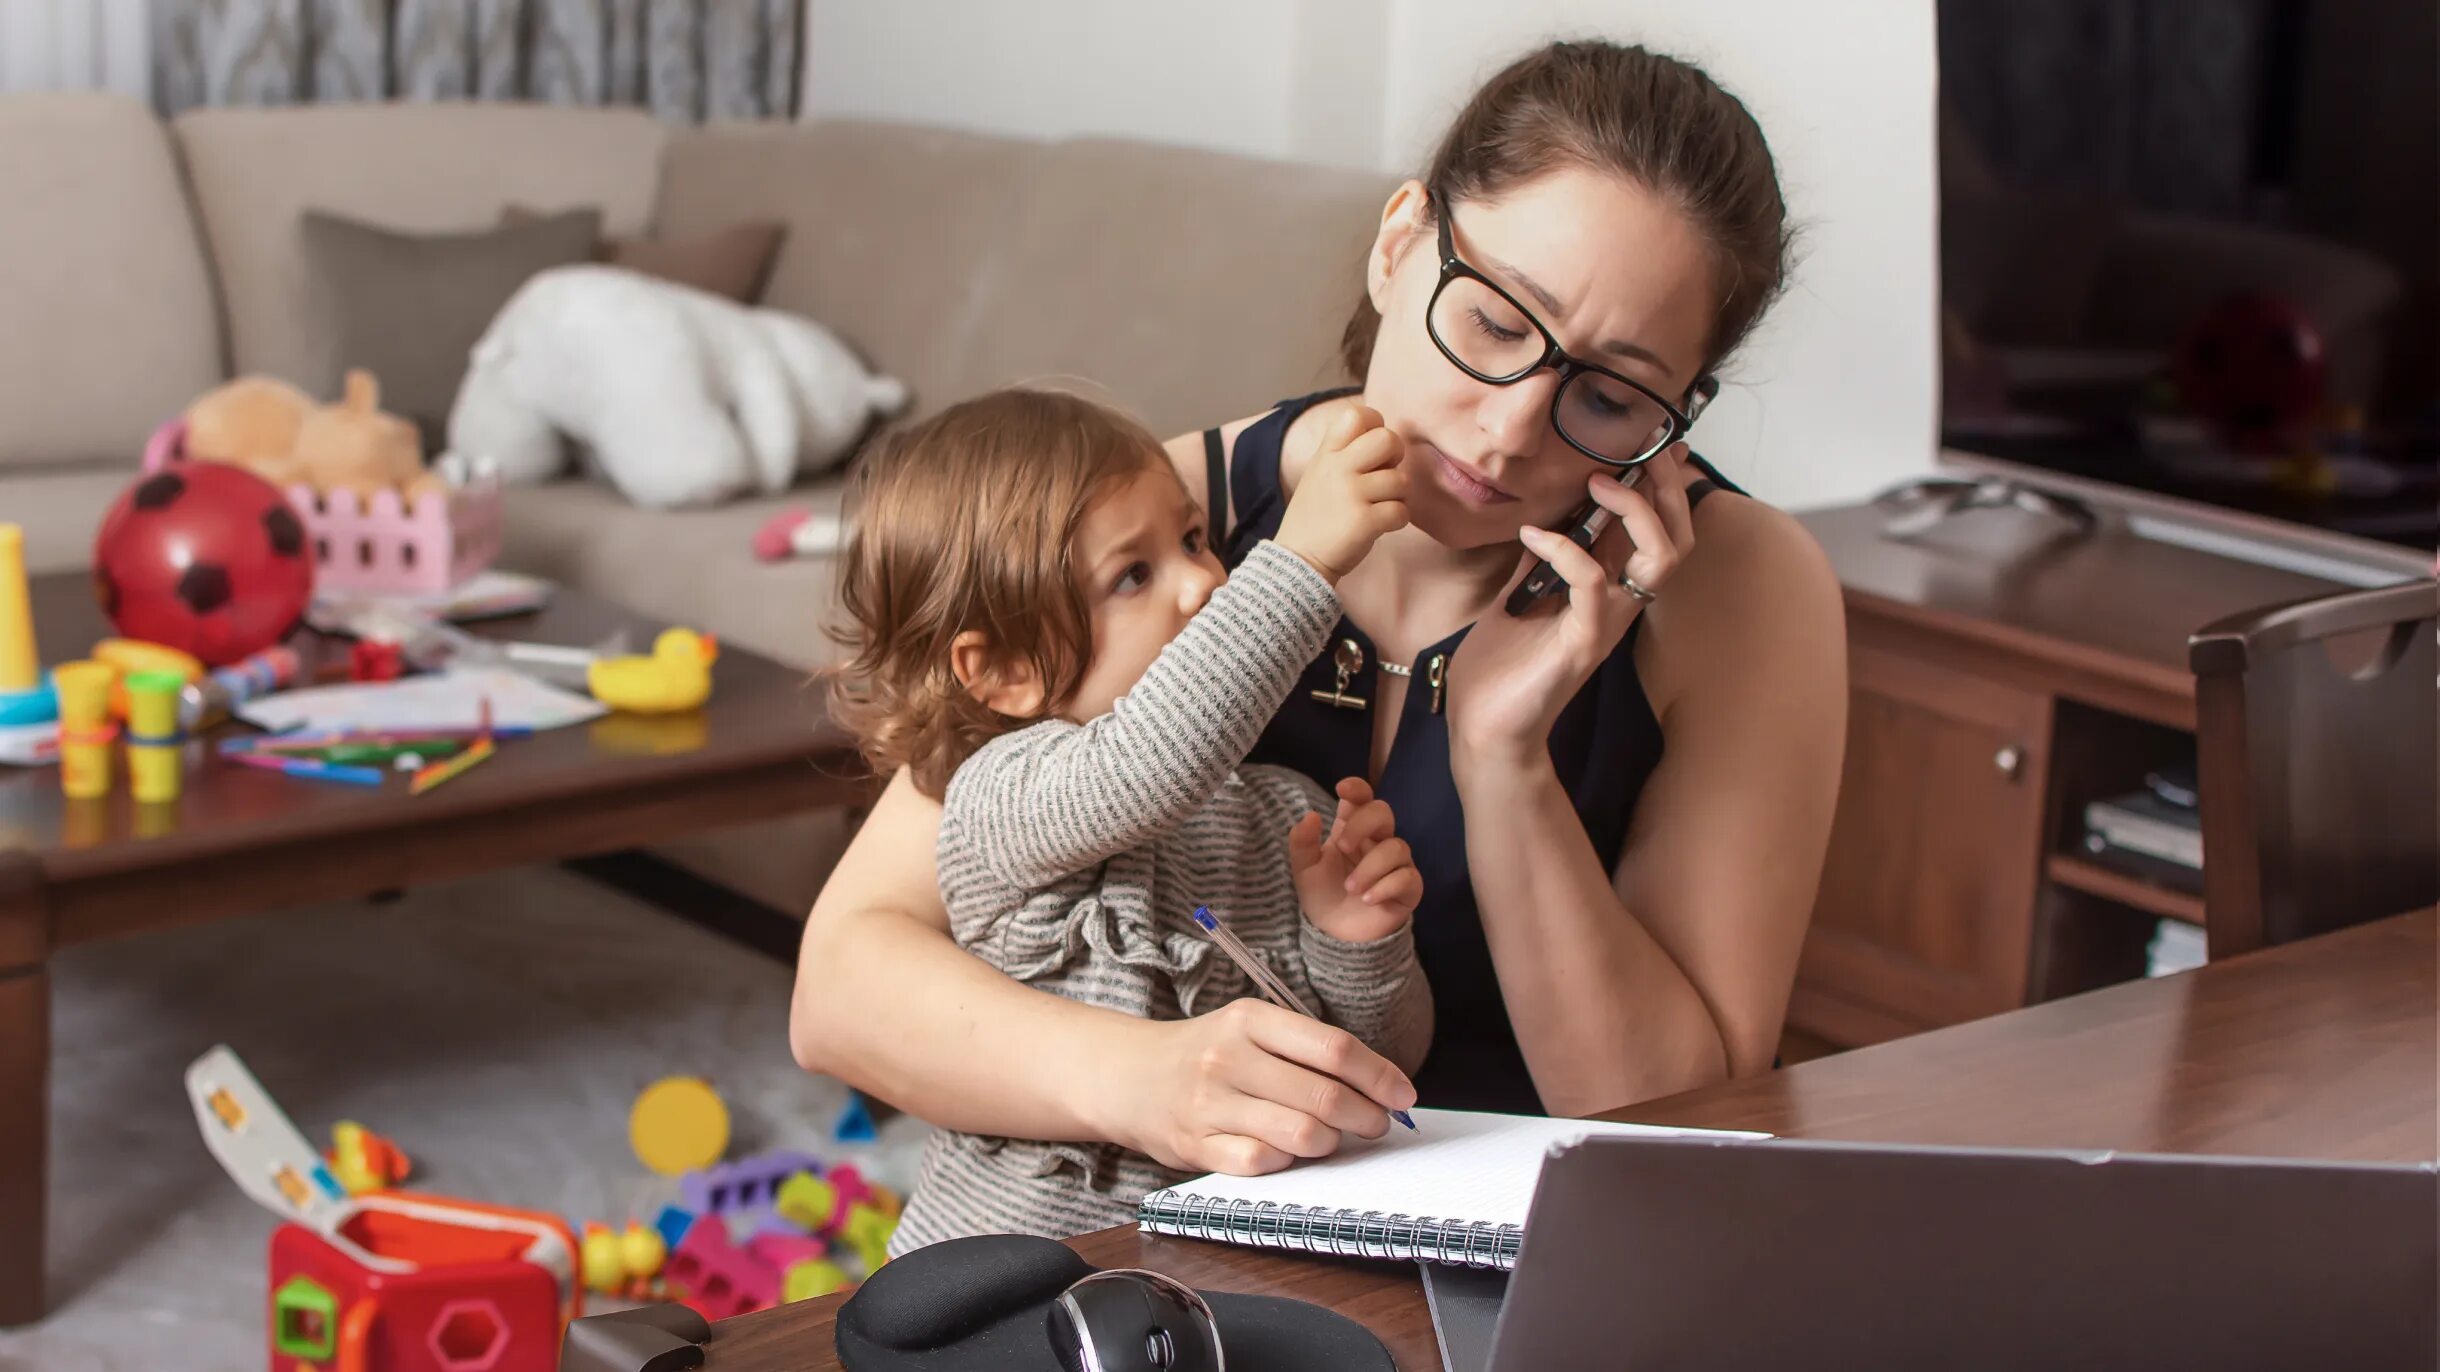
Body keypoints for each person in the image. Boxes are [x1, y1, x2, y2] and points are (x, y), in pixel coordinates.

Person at [792, 39, 1846, 1179]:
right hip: (1172, 1222)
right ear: (1399, 246)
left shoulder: (1742, 593)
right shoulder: (1165, 523)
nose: (1507, 430)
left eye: (1605, 393)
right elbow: (844, 986)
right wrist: (1142, 1080)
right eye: (1495, 325)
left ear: (1675, 415)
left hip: (1529, 1245)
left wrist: (1503, 761)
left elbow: (1677, 1128)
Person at [824, 388, 1432, 1251]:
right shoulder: (997, 795)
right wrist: (1301, 561)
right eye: (1133, 575)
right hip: (998, 1279)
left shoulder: (1286, 813)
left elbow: (1378, 1066)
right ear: (1004, 672)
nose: (1203, 582)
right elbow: (1144, 767)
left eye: (1192, 539)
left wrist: (1358, 940)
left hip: (1210, 1269)